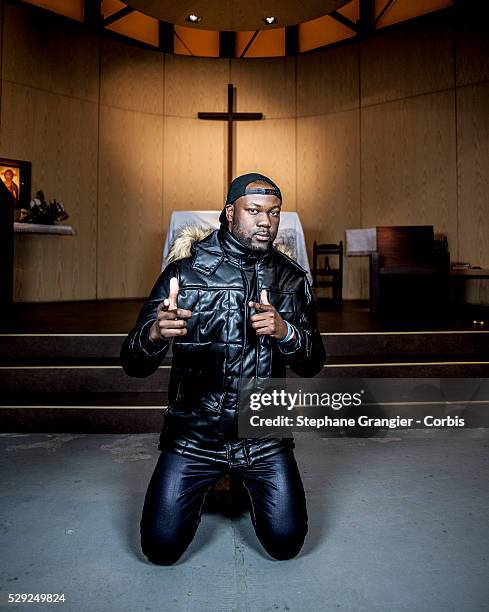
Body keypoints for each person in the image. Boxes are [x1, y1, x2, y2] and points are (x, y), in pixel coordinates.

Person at [120, 172, 326, 565]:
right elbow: (132, 363)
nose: (266, 221)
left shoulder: (292, 279)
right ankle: (211, 484)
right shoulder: (184, 275)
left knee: (286, 544)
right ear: (230, 212)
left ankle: (241, 484)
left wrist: (286, 332)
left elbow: (314, 362)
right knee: (160, 550)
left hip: (264, 435)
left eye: (274, 212)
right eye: (254, 211)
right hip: (194, 434)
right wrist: (154, 334)